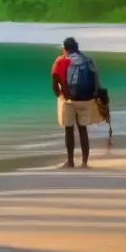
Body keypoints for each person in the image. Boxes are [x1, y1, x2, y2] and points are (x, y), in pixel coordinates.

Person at [51, 37, 100, 169]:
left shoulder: (60, 61)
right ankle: (84, 162)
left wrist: (61, 96)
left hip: (69, 100)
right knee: (83, 130)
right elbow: (96, 81)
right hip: (86, 99)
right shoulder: (87, 60)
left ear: (65, 48)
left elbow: (55, 84)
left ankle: (70, 161)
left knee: (69, 129)